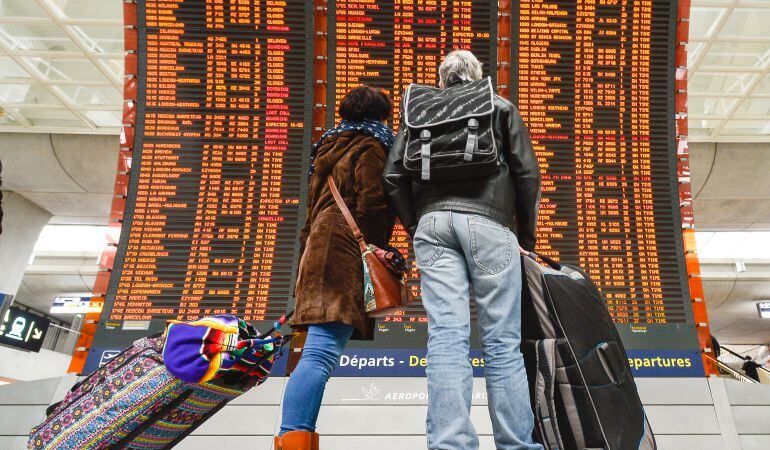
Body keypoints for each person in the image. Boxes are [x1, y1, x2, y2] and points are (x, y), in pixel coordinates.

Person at [384, 50, 542, 450]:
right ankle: (516, 444)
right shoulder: (499, 106)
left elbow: (392, 175)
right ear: (477, 76)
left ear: (443, 80)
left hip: (434, 225)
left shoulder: (419, 113)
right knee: (502, 342)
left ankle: (450, 443)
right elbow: (526, 173)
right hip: (490, 224)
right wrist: (526, 235)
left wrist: (416, 223)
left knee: (446, 337)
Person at [274, 86, 395, 450]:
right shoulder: (371, 146)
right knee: (321, 352)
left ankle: (294, 437)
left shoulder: (327, 147)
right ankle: (291, 437)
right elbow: (372, 204)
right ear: (381, 116)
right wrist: (378, 248)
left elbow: (312, 212)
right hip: (342, 252)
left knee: (317, 350)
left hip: (317, 250)